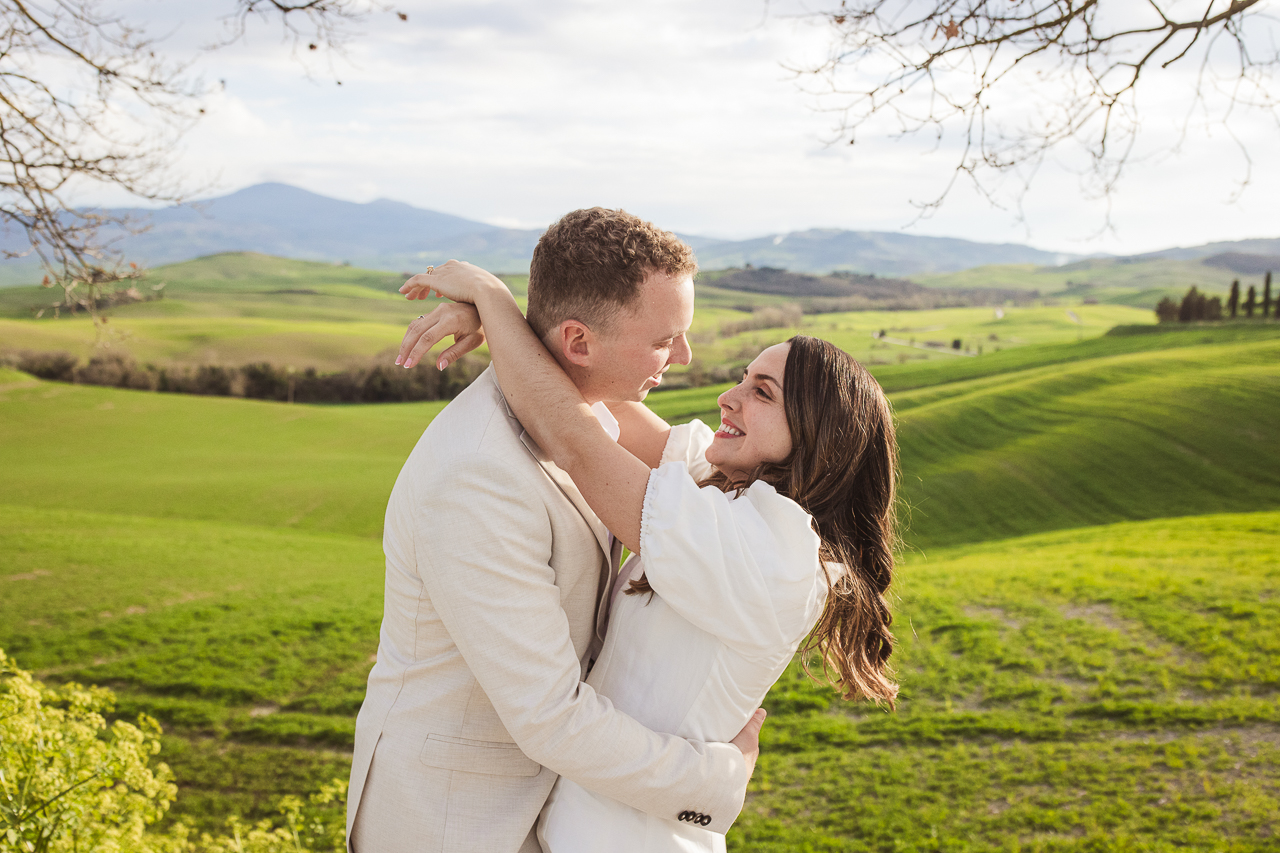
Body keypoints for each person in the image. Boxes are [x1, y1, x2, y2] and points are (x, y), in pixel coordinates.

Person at [396, 258, 900, 852]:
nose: (726, 398)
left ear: (820, 433)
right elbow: (596, 387)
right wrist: (516, 323)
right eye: (742, 378)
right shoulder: (722, 491)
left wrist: (491, 297)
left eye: (761, 392)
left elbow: (576, 437)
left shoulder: (776, 554)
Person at [346, 209, 765, 853]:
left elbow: (700, 471)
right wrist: (712, 782)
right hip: (459, 823)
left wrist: (496, 307)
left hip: (551, 810)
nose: (684, 358)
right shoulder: (477, 476)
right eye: (664, 339)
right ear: (578, 343)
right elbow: (548, 716)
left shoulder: (591, 408)